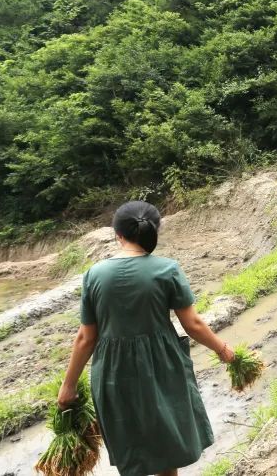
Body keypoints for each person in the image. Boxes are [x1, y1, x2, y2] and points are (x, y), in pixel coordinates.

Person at [57, 201, 235, 476]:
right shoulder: (167, 269)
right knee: (166, 445)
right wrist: (224, 351)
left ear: (118, 234)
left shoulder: (94, 275)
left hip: (113, 371)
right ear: (154, 231)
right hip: (161, 365)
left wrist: (68, 386)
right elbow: (194, 325)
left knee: (130, 447)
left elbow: (85, 339)